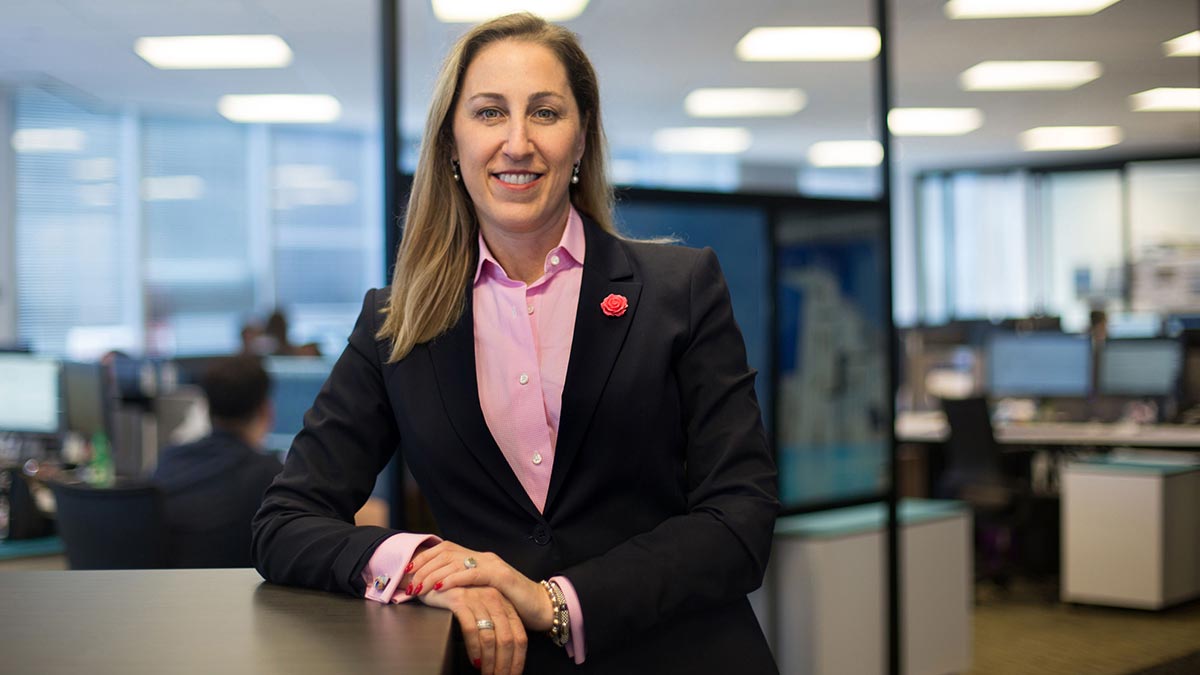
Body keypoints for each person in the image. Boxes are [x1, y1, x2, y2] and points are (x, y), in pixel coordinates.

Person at [252, 12, 779, 675]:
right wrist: (422, 568)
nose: (518, 142)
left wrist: (555, 601)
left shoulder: (681, 288)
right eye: (490, 112)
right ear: (451, 141)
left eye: (546, 113)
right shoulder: (395, 322)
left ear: (581, 137)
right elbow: (284, 520)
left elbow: (741, 515)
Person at [154, 355, 282, 567]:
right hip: (236, 586)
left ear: (207, 409)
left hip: (169, 584)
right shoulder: (270, 475)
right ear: (265, 410)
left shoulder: (170, 458)